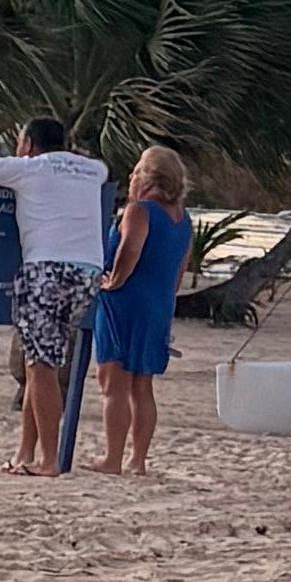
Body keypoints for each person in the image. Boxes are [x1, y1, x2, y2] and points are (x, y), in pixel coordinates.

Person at [0, 114, 112, 475]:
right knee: (39, 365)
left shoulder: (28, 168)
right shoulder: (92, 169)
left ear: (29, 144)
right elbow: (101, 169)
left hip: (46, 270)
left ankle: (49, 459)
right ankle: (25, 451)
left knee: (42, 366)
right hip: (87, 272)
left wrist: (18, 162)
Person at [91, 142, 194, 477]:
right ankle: (138, 459)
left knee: (114, 382)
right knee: (142, 384)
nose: (131, 177)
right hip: (158, 302)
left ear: (149, 177)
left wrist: (113, 281)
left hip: (126, 301)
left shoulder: (139, 211)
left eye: (136, 171)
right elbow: (179, 270)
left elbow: (130, 251)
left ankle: (112, 458)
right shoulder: (183, 219)